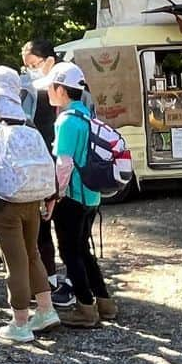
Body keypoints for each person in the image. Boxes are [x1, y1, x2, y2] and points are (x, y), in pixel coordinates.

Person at [0, 66, 60, 343]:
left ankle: (20, 322)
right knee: (32, 254)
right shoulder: (27, 124)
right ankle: (46, 310)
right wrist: (50, 196)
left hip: (4, 204)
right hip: (32, 200)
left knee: (15, 262)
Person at [34, 61, 117, 329]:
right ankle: (105, 303)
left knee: (70, 252)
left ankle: (85, 308)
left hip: (72, 197)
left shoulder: (67, 120)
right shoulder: (88, 116)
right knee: (83, 250)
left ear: (61, 89)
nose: (47, 92)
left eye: (50, 87)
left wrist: (52, 196)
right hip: (92, 197)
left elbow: (64, 163)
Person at [20, 38, 74, 308]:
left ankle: (75, 285)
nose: (30, 71)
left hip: (67, 171)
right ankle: (49, 282)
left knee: (69, 232)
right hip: (40, 169)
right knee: (41, 229)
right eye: (26, 66)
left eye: (34, 65)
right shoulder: (31, 92)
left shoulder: (72, 86)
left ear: (50, 62)